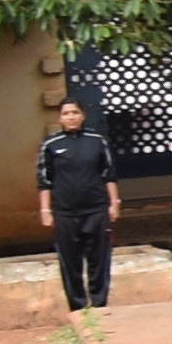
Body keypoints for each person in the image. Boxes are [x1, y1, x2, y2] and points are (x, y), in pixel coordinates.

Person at [35, 95, 123, 316]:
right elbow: (44, 180)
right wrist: (45, 211)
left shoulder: (96, 141)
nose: (71, 117)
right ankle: (78, 308)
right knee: (70, 261)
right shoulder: (50, 145)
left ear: (82, 115)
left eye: (75, 113)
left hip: (96, 209)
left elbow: (108, 174)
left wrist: (114, 203)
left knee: (99, 259)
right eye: (66, 114)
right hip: (64, 212)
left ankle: (99, 305)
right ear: (60, 118)